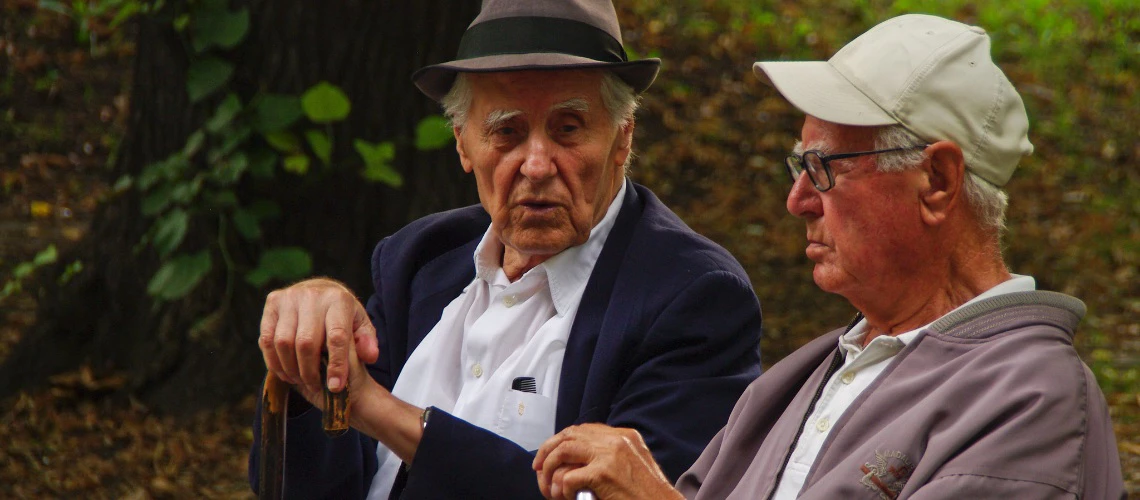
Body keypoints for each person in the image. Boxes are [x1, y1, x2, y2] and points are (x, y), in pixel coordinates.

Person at [534, 14, 1125, 499]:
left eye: (822, 167)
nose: (796, 201)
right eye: (798, 167)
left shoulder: (1032, 398)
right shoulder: (806, 377)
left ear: (937, 181)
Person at [247, 0, 764, 498]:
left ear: (622, 138)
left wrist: (379, 410)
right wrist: (311, 355)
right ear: (463, 144)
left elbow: (627, 495)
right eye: (506, 132)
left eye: (567, 128)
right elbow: (315, 485)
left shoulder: (692, 295)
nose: (537, 164)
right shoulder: (420, 259)